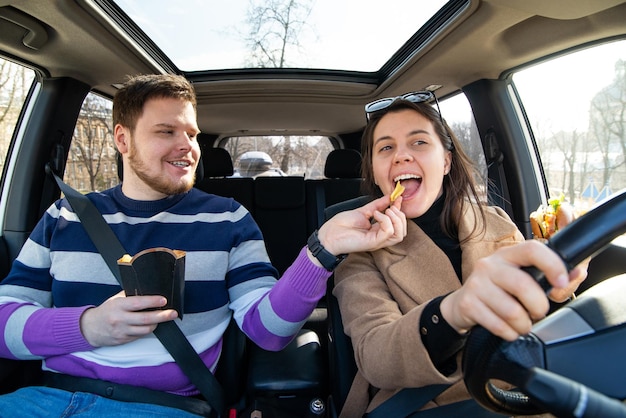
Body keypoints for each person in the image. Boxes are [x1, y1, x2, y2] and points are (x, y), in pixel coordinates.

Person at [0, 74, 407, 417]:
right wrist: (86, 326)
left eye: (192, 134)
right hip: (43, 399)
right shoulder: (65, 216)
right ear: (122, 140)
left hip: (163, 406)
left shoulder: (228, 220)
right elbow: (3, 324)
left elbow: (269, 333)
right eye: (166, 132)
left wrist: (322, 249)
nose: (189, 147)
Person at [332, 92, 588, 417]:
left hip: (521, 396)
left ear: (446, 161)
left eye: (419, 142)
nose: (401, 157)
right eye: (385, 148)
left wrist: (561, 287)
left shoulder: (495, 222)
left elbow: (535, 328)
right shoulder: (360, 249)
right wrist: (454, 309)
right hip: (424, 406)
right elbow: (376, 357)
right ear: (373, 168)